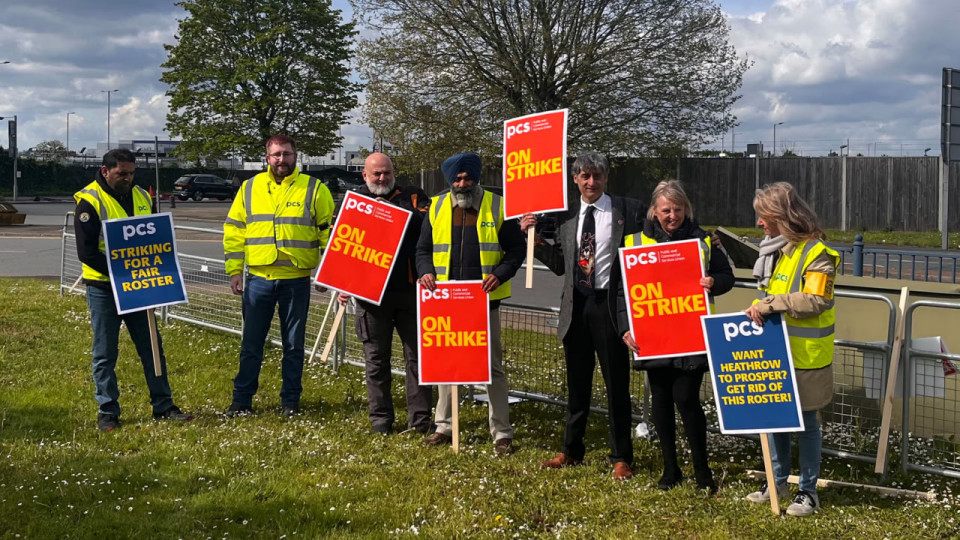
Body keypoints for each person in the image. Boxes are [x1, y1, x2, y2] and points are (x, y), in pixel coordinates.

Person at [520, 151, 645, 479]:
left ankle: (621, 457)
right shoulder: (566, 215)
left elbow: (663, 229)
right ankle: (572, 451)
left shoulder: (627, 210)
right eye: (585, 176)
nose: (592, 182)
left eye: (598, 176)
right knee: (577, 386)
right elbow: (561, 265)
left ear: (606, 179)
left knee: (617, 385)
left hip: (610, 307)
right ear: (575, 179)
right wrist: (533, 239)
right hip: (575, 308)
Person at [625, 180, 734, 493]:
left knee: (686, 399)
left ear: (686, 209)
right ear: (654, 212)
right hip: (654, 335)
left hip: (691, 335)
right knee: (660, 401)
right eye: (665, 210)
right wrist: (625, 327)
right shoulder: (636, 241)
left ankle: (703, 471)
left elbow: (727, 276)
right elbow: (623, 290)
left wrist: (713, 281)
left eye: (678, 209)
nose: (672, 215)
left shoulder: (704, 241)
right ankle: (670, 469)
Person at [74, 149, 193, 432]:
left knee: (152, 347)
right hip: (104, 288)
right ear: (106, 171)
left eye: (131, 172)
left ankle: (163, 406)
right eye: (121, 173)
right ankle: (108, 412)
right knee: (105, 352)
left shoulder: (142, 196)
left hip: (139, 287)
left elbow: (153, 239)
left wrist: (153, 275)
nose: (127, 178)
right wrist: (124, 274)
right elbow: (87, 252)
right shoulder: (89, 201)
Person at [416, 152, 524, 455]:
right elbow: (423, 249)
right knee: (446, 364)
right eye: (457, 179)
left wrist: (500, 275)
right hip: (445, 302)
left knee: (491, 367)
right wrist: (425, 271)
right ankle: (444, 426)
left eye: (468, 177)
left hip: (483, 302)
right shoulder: (436, 207)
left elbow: (516, 251)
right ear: (450, 181)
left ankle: (501, 432)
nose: (463, 183)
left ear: (476, 178)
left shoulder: (498, 205)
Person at [742, 182, 838, 517]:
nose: (759, 224)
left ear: (782, 215)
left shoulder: (816, 252)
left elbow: (817, 299)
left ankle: (808, 492)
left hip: (808, 357)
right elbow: (776, 297)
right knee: (776, 420)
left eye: (763, 216)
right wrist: (761, 305)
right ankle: (777, 482)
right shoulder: (782, 253)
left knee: (807, 425)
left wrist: (770, 304)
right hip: (778, 353)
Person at [223, 134, 335, 418]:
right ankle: (242, 401)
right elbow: (235, 231)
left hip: (296, 280)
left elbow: (328, 235)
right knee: (251, 344)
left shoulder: (314, 188)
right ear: (267, 157)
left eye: (286, 154)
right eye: (276, 155)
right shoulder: (249, 188)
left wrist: (327, 273)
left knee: (294, 345)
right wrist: (235, 270)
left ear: (296, 156)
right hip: (258, 279)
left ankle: (290, 402)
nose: (281, 160)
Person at [338, 153, 433, 434]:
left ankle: (420, 420)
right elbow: (341, 244)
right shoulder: (353, 201)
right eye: (376, 174)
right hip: (370, 295)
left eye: (386, 173)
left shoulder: (415, 196)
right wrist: (342, 283)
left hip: (410, 291)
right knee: (376, 360)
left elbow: (428, 229)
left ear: (394, 173)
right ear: (364, 175)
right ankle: (381, 420)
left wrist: (391, 214)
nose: (382, 178)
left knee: (417, 358)